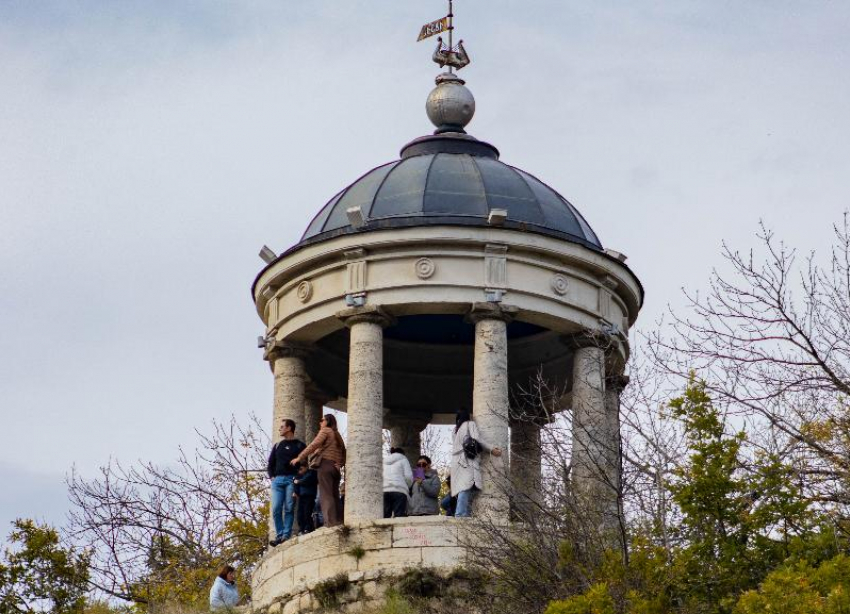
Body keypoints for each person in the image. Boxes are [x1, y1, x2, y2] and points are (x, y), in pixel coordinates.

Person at [292, 413, 346, 527]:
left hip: (325, 465)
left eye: (322, 420)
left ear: (327, 422)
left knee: (326, 495)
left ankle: (330, 523)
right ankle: (340, 521)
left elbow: (314, 444)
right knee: (335, 495)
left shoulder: (326, 431)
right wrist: (340, 464)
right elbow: (344, 451)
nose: (320, 422)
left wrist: (299, 457)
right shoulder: (337, 434)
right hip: (335, 469)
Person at [451, 409, 503, 517]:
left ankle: (465, 513)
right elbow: (478, 439)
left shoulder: (455, 430)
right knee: (466, 488)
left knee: (466, 488)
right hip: (468, 460)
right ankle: (460, 514)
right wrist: (492, 449)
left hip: (458, 462)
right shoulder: (470, 424)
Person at [267, 419, 306, 545]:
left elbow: (305, 464)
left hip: (291, 480)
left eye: (282, 427)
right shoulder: (278, 445)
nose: (280, 429)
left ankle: (285, 535)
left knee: (289, 507)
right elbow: (270, 463)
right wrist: (272, 476)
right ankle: (279, 535)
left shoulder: (300, 445)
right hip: (277, 481)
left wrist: (298, 478)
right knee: (276, 508)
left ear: (289, 428)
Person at [383, 447, 413, 518]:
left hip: (384, 490)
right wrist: (408, 486)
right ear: (402, 453)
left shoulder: (384, 462)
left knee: (385, 516)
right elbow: (408, 476)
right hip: (399, 490)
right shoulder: (404, 459)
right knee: (399, 516)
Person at [293, 462, 318, 535]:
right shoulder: (298, 475)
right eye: (298, 470)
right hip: (301, 496)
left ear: (306, 467)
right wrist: (296, 492)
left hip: (310, 495)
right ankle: (301, 529)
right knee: (300, 514)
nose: (299, 471)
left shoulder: (312, 472)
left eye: (301, 469)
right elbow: (295, 483)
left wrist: (299, 482)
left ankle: (309, 528)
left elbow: (308, 480)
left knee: (307, 513)